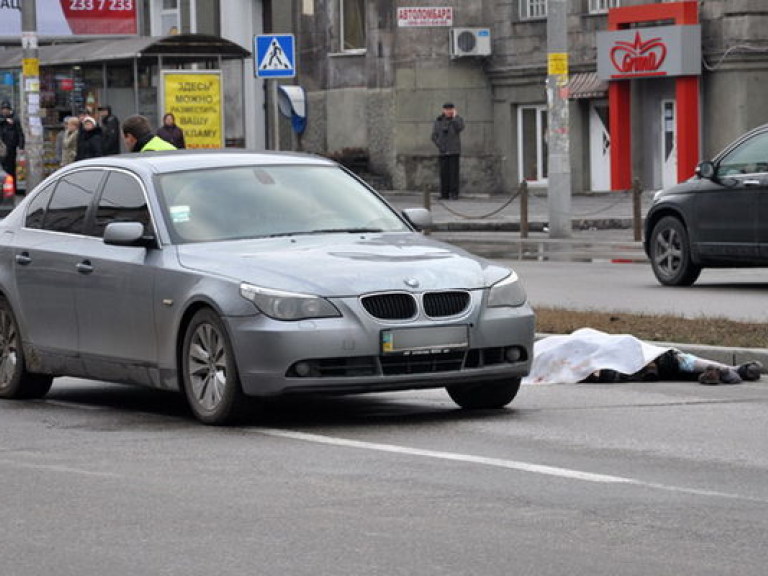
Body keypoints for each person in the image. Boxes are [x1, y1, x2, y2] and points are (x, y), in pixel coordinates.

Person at [523, 328, 764, 386]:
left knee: (666, 358)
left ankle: (729, 369)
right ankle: (726, 368)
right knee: (674, 359)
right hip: (622, 352)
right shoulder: (543, 349)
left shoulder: (542, 349)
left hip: (613, 351)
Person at [431, 102, 464, 200]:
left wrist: (454, 118)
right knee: (444, 173)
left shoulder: (458, 119)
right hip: (443, 151)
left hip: (454, 151)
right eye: (447, 109)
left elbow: (460, 127)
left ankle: (454, 193)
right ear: (443, 110)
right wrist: (440, 145)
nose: (448, 111)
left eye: (451, 109)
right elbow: (433, 136)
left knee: (454, 174)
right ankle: (444, 193)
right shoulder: (438, 121)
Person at [0, 100, 25, 190]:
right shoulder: (2, 119)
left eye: (6, 109)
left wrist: (21, 146)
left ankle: (12, 188)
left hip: (11, 148)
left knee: (11, 169)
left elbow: (20, 133)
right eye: (3, 109)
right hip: (2, 148)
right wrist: (5, 120)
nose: (5, 111)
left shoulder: (15, 119)